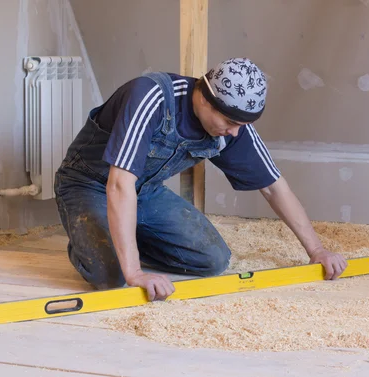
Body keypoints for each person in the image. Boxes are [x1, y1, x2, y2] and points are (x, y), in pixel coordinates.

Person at [54, 57, 348, 301]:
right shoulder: (150, 96)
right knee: (111, 275)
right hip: (89, 184)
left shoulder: (233, 126)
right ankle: (94, 242)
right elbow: (118, 184)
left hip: (144, 191)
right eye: (231, 122)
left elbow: (273, 187)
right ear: (206, 100)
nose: (235, 132)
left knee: (212, 260)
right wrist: (134, 272)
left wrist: (317, 250)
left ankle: (120, 235)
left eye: (242, 125)